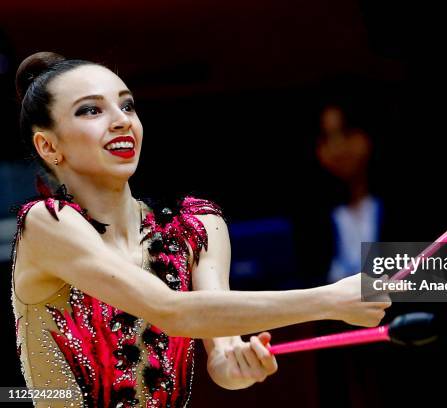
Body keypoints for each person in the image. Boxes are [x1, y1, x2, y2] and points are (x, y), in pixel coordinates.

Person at [11, 52, 391, 407]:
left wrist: (237, 364)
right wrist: (329, 299)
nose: (122, 119)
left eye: (127, 105)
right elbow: (170, 311)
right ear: (48, 146)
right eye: (91, 110)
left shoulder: (197, 227)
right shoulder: (46, 222)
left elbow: (222, 358)